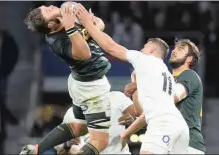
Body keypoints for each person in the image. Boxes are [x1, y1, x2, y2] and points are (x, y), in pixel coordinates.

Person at [75, 3, 189, 154]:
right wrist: (136, 86)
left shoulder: (145, 59)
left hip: (162, 124)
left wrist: (88, 23)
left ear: (152, 49)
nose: (141, 49)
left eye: (145, 46)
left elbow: (111, 47)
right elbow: (142, 111)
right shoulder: (164, 75)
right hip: (179, 125)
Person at [21, 3, 112, 155]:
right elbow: (85, 54)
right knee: (100, 141)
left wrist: (87, 21)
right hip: (92, 87)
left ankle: (36, 149)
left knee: (79, 127)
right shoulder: (56, 41)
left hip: (79, 82)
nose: (51, 6)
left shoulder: (66, 16)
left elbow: (100, 25)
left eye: (47, 6)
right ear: (50, 24)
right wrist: (72, 27)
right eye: (48, 11)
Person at [52, 91, 138, 154]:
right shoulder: (71, 114)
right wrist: (67, 145)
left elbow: (144, 120)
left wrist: (132, 121)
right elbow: (61, 150)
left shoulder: (117, 98)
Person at [169, 39, 206, 154]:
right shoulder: (170, 79)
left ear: (189, 59)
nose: (174, 51)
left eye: (180, 49)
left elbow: (173, 97)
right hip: (173, 142)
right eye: (174, 48)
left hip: (189, 144)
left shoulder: (189, 75)